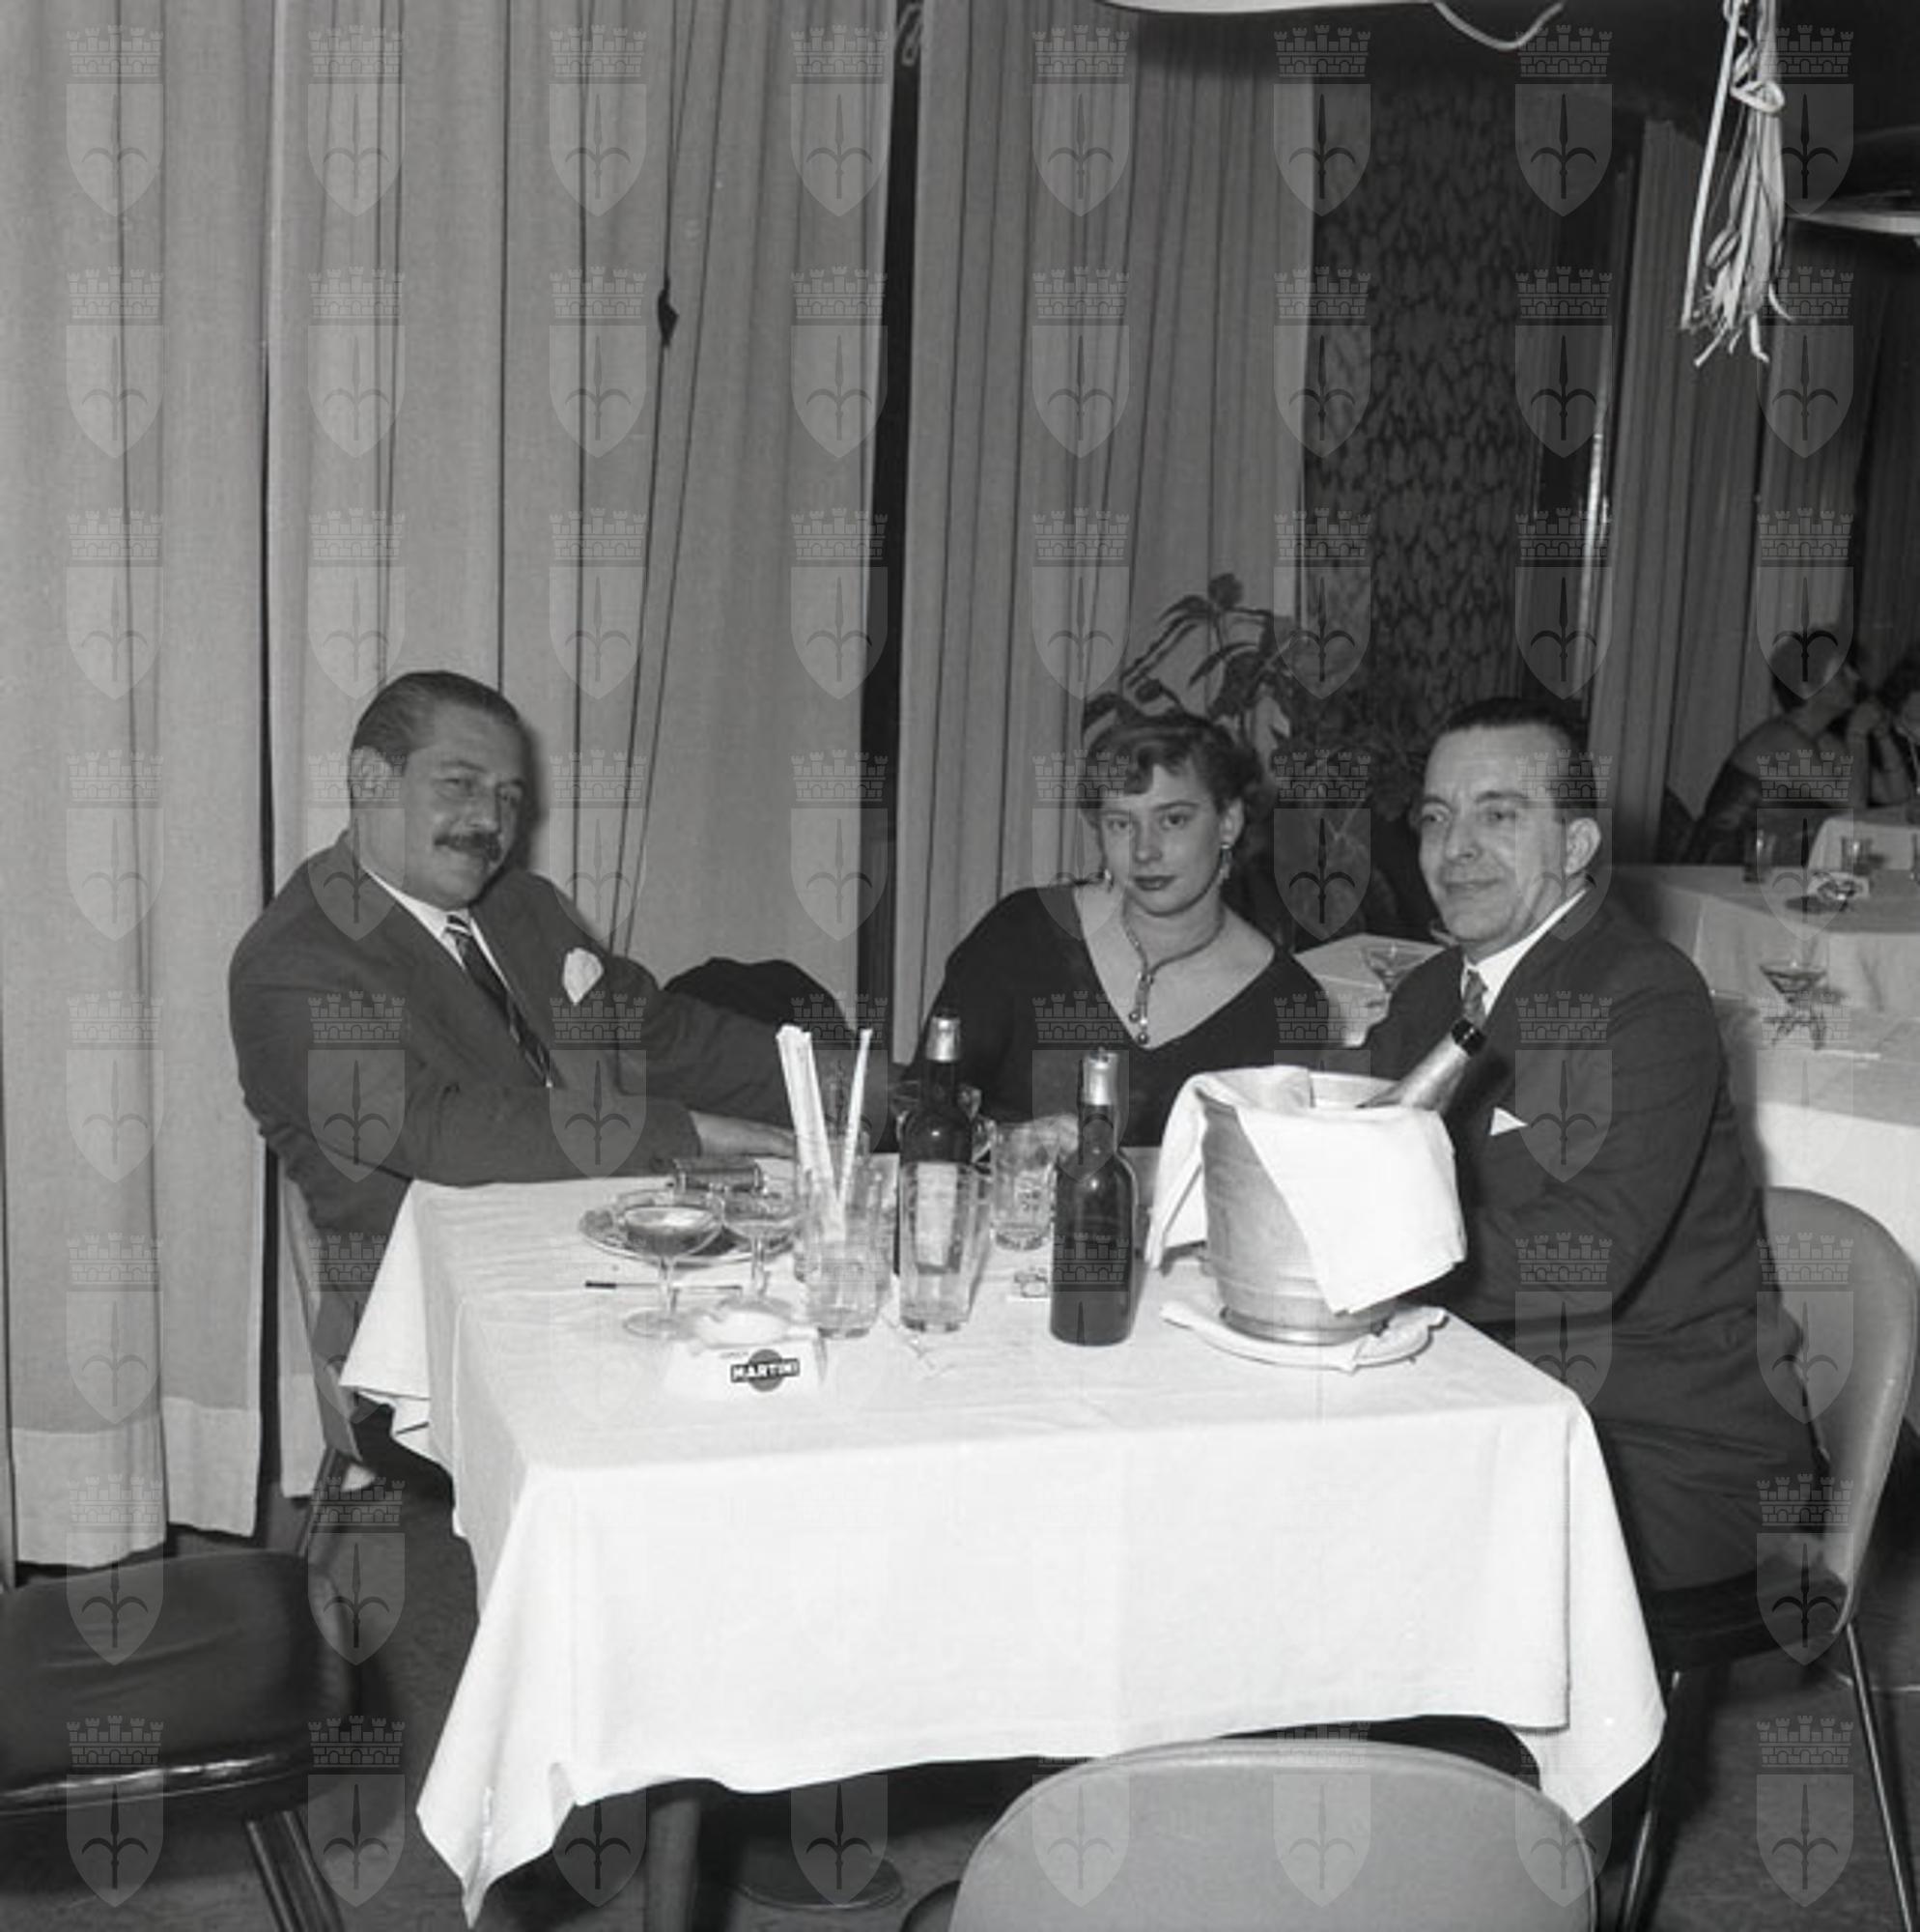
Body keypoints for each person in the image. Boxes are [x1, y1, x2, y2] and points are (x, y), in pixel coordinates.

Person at [1367, 696, 1810, 1599]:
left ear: (1575, 846)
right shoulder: (1427, 997)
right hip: (1479, 1405)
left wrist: (1364, 1254)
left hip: (1662, 1450)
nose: (1456, 849)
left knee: (1365, 1556)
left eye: (1498, 815)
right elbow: (1350, 1153)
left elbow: (1584, 1257)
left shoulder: (1645, 997)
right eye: (1437, 819)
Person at [230, 671, 791, 1245]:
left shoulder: (526, 907)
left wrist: (839, 1087)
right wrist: (683, 1134)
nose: (490, 821)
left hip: (609, 1245)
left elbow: (662, 1039)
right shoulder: (292, 962)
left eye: (508, 797)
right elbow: (439, 1129)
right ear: (371, 780)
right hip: (443, 1288)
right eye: (459, 784)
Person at [917, 712, 1330, 1145]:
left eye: (1173, 820)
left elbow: (1271, 1174)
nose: (1144, 851)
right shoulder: (1021, 934)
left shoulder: (1285, 1002)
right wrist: (1014, 1145)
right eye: (1120, 824)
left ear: (1228, 822)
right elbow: (921, 1115)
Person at [1682, 649, 1887, 864]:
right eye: (1841, 673)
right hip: (1725, 863)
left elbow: (1896, 796)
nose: (1856, 677)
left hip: (1767, 861)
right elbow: (1854, 805)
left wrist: (1883, 734)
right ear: (1806, 688)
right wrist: (1857, 734)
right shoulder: (1782, 738)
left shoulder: (1821, 740)